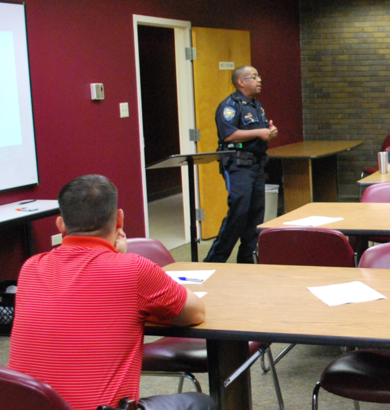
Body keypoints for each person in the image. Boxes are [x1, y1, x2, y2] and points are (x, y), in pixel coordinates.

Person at [9, 175, 214, 410]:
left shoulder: (30, 267)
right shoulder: (134, 269)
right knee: (202, 403)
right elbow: (195, 313)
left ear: (61, 225)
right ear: (119, 220)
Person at [206, 64, 277, 263]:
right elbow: (228, 135)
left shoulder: (256, 105)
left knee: (255, 215)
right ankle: (215, 261)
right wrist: (259, 133)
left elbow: (261, 131)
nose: (259, 80)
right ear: (241, 81)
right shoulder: (230, 106)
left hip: (257, 164)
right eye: (254, 77)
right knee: (239, 212)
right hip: (238, 165)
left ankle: (246, 260)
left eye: (258, 75)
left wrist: (270, 132)